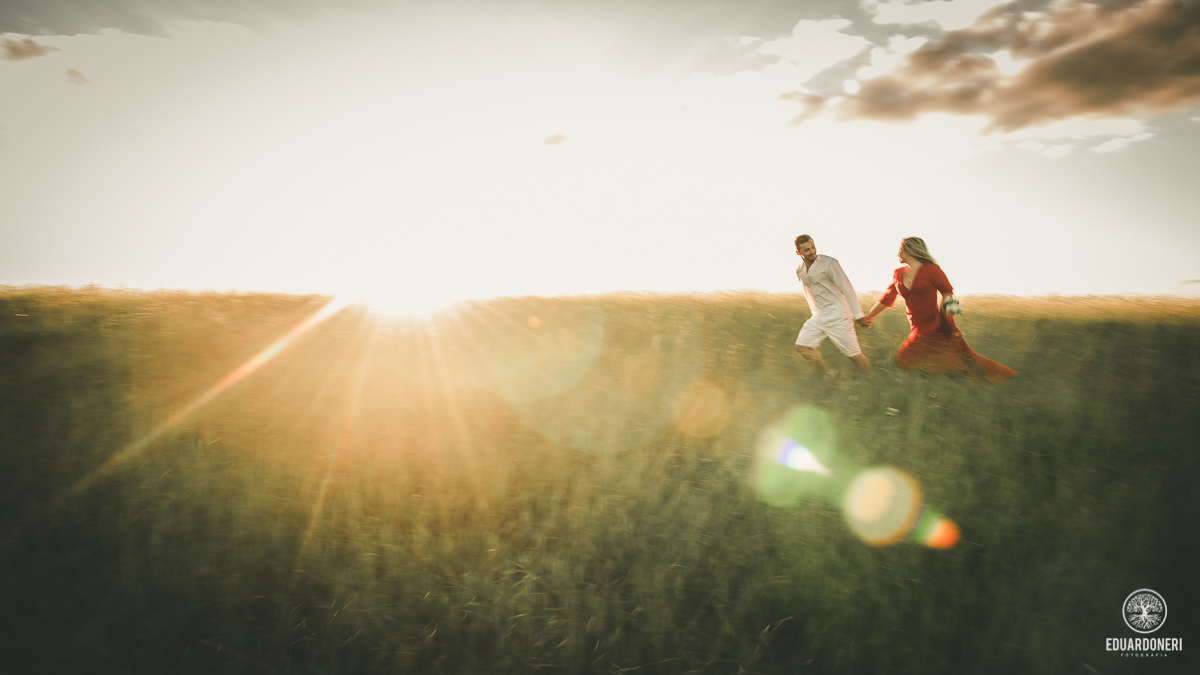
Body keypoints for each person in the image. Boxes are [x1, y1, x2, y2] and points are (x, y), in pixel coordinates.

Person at [860, 237, 1016, 383]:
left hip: (934, 322)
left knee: (904, 359)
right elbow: (888, 297)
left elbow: (947, 291)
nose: (898, 253)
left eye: (900, 250)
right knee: (943, 361)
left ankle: (994, 377)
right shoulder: (898, 273)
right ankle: (959, 380)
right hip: (916, 324)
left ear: (909, 251)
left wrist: (946, 311)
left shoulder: (931, 270)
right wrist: (870, 315)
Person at [793, 235, 873, 380]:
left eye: (813, 247)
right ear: (799, 253)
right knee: (802, 346)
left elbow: (846, 288)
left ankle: (871, 382)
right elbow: (809, 293)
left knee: (854, 356)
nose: (812, 251)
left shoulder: (829, 263)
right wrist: (815, 312)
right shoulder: (800, 271)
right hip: (819, 317)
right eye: (807, 250)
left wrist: (858, 314)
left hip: (839, 317)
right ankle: (828, 375)